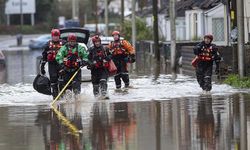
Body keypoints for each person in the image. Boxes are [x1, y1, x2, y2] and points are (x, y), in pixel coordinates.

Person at [40, 29, 65, 98]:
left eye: (57, 36)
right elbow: (44, 57)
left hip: (61, 64)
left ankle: (63, 96)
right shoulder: (47, 45)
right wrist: (42, 67)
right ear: (52, 36)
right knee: (53, 81)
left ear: (59, 36)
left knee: (62, 80)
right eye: (54, 36)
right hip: (52, 65)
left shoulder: (64, 43)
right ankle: (55, 96)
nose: (56, 37)